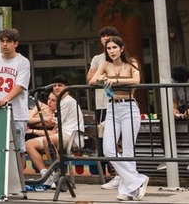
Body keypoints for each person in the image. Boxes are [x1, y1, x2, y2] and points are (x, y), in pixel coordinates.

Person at [93, 36, 149, 201]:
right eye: (109, 48)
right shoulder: (105, 64)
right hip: (112, 107)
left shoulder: (132, 62)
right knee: (109, 149)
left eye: (114, 48)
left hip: (129, 107)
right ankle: (137, 180)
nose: (111, 51)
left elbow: (136, 81)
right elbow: (92, 79)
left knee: (128, 149)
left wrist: (114, 80)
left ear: (122, 48)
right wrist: (101, 78)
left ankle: (127, 191)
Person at [0, 28, 31, 170]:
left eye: (8, 41)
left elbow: (20, 86)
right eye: (2, 41)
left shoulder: (23, 62)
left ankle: (20, 182)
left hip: (16, 114)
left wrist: (5, 99)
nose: (4, 44)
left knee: (18, 149)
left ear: (15, 43)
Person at [26, 77, 83, 185]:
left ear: (67, 88)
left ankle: (58, 175)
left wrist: (34, 124)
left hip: (71, 135)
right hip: (59, 134)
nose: (56, 87)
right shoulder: (61, 102)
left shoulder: (68, 101)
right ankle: (46, 175)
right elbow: (53, 128)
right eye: (55, 85)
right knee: (29, 144)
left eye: (60, 85)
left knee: (48, 141)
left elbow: (52, 122)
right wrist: (34, 129)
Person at [88, 26, 120, 189]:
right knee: (103, 140)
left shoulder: (121, 57)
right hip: (101, 104)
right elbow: (90, 78)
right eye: (103, 36)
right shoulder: (97, 58)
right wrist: (100, 77)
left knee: (117, 140)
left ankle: (120, 174)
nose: (106, 38)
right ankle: (111, 175)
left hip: (119, 102)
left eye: (110, 36)